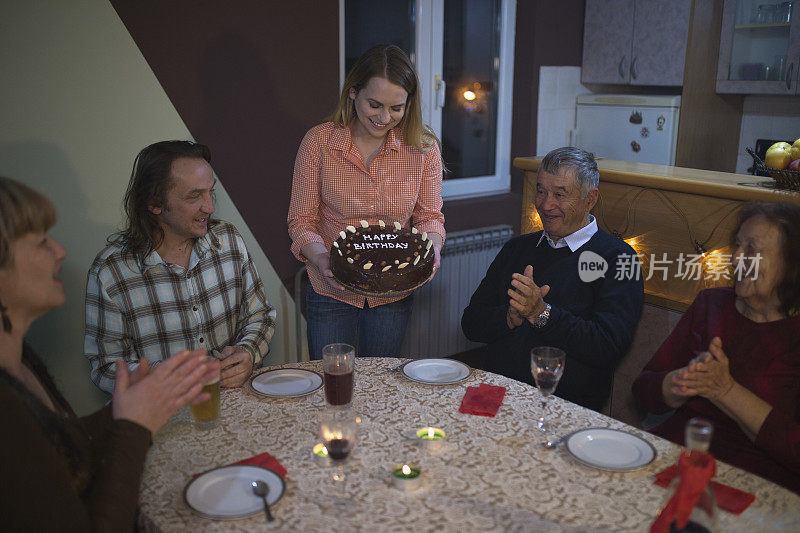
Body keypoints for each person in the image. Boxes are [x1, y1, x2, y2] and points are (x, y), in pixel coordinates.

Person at [0, 177, 220, 530]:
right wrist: (134, 426)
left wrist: (132, 406)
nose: (60, 251)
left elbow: (62, 453)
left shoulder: (21, 361)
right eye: (41, 242)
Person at [287, 44, 445, 360]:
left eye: (397, 108)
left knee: (381, 383)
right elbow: (301, 220)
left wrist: (433, 250)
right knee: (332, 385)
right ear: (353, 93)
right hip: (331, 291)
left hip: (393, 292)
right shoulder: (318, 143)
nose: (385, 118)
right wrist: (320, 258)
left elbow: (429, 215)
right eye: (375, 104)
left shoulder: (424, 148)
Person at [633, 202, 800, 494]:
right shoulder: (712, 304)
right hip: (679, 458)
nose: (736, 258)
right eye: (737, 246)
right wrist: (679, 382)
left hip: (757, 485)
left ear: (791, 265)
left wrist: (726, 390)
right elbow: (643, 392)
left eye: (752, 250)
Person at [85, 141, 276, 393]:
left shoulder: (228, 240)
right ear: (155, 203)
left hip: (233, 403)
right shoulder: (112, 272)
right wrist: (172, 378)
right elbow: (106, 366)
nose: (209, 207)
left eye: (210, 192)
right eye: (195, 196)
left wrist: (247, 352)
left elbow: (259, 315)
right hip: (165, 414)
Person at [461, 147, 643, 411]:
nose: (545, 205)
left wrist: (541, 313)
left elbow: (607, 346)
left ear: (590, 199)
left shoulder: (619, 258)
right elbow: (470, 324)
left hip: (563, 403)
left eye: (560, 194)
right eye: (541, 191)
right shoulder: (517, 249)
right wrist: (509, 318)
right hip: (494, 388)